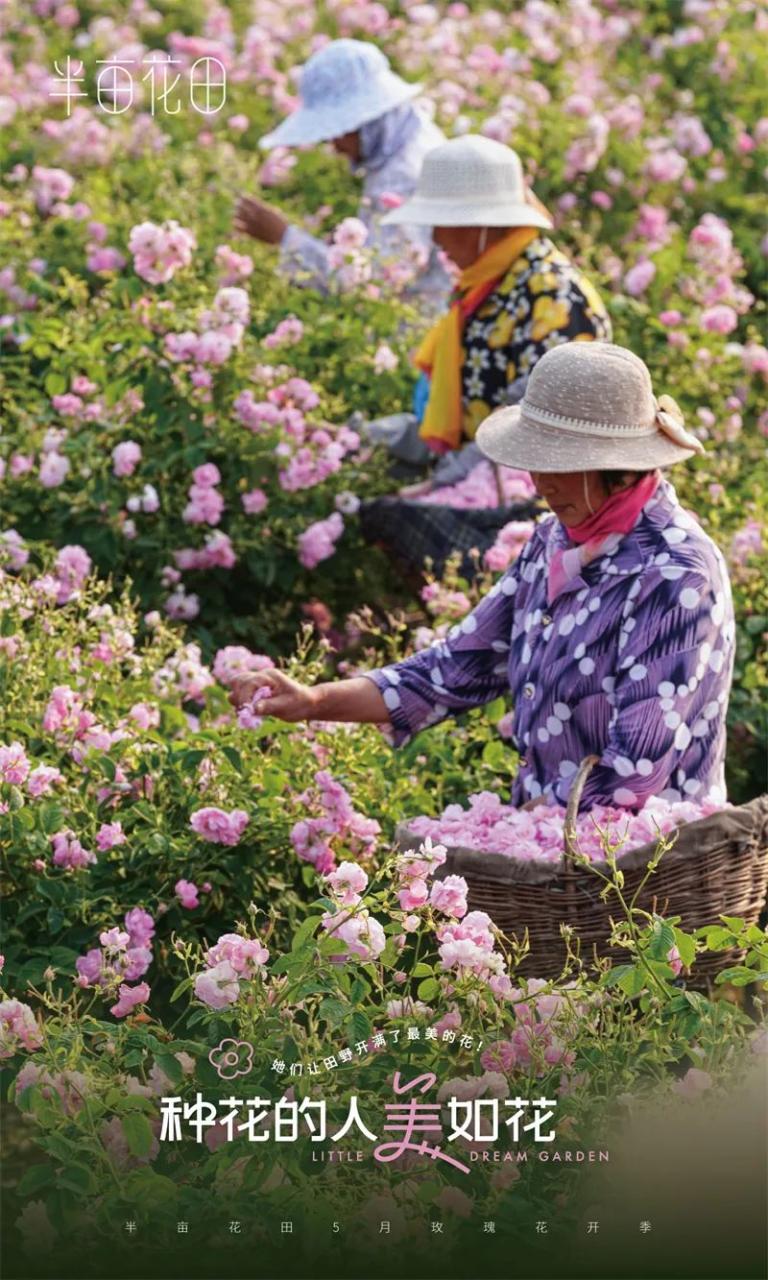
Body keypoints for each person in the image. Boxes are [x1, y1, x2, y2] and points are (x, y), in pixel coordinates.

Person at [231, 342, 734, 814]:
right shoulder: (553, 542)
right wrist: (313, 699)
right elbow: (454, 668)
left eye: (560, 465)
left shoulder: (674, 575)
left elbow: (633, 776)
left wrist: (508, 834)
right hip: (555, 861)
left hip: (642, 881)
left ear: (616, 466)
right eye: (536, 462)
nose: (540, 483)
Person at [364, 134, 613, 477]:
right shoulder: (488, 283)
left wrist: (441, 484)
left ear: (482, 223)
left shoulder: (553, 297)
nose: (436, 239)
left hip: (528, 486)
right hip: (473, 465)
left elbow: (530, 429)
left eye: (444, 223)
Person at [233, 39, 448, 300]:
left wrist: (286, 239)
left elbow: (375, 287)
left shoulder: (402, 177)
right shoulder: (412, 133)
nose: (334, 146)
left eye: (337, 132)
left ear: (366, 122)